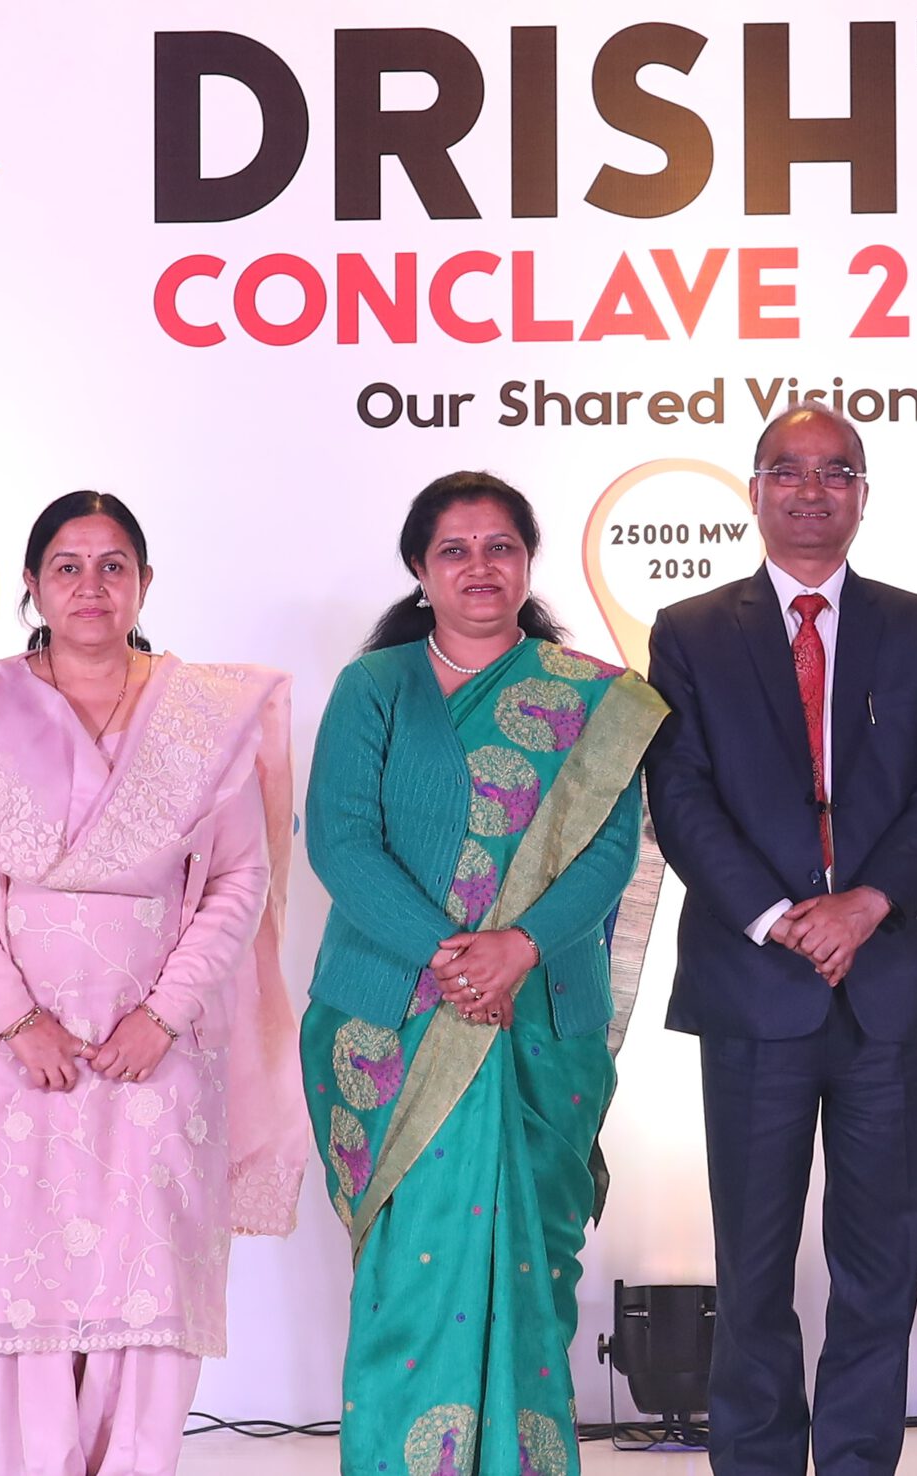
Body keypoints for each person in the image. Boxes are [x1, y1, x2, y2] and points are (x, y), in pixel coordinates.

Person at [0, 491, 310, 1476]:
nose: (91, 586)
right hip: (2, 1056)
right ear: (31, 584)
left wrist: (164, 1016)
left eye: (113, 566)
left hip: (157, 1056)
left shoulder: (203, 716)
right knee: (13, 1298)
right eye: (67, 565)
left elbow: (240, 880)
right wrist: (17, 1020)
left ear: (145, 582)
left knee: (149, 1295)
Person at [303, 471, 665, 1475]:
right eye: (454, 550)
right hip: (393, 1015)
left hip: (539, 1011)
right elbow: (340, 840)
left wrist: (519, 948)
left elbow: (608, 851)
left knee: (534, 1271)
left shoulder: (594, 698)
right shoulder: (374, 688)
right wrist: (450, 956)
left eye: (499, 546)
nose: (478, 567)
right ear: (419, 570)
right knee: (408, 1277)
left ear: (527, 561)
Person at [645, 405, 917, 1476]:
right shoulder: (689, 631)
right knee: (752, 1267)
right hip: (755, 982)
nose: (811, 490)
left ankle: (856, 1462)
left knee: (881, 1265)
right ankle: (754, 1461)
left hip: (890, 983)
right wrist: (780, 917)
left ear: (863, 496)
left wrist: (867, 903)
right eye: (787, 471)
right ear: (753, 492)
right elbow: (680, 793)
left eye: (837, 472)